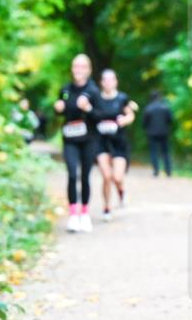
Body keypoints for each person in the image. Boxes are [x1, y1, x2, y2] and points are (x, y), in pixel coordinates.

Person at [53, 54, 100, 233]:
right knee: (72, 174)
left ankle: (85, 213)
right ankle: (73, 215)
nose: (78, 70)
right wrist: (57, 108)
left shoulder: (94, 91)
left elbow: (100, 116)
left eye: (82, 67)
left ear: (88, 70)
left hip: (89, 140)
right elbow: (60, 110)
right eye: (75, 66)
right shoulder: (65, 89)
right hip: (70, 139)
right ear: (72, 69)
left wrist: (88, 108)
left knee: (85, 176)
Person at [93, 69, 135, 220]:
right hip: (101, 142)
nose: (108, 82)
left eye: (111, 79)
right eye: (105, 79)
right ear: (101, 82)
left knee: (117, 177)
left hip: (118, 142)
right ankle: (106, 208)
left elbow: (130, 114)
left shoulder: (122, 98)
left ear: (116, 81)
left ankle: (121, 191)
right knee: (106, 176)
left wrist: (125, 120)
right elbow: (90, 114)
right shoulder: (96, 98)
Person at [141, 91, 174, 177]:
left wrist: (147, 129)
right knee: (166, 152)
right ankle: (168, 171)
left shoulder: (148, 108)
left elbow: (144, 123)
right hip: (164, 132)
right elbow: (170, 120)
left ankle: (156, 171)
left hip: (152, 133)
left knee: (154, 152)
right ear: (159, 97)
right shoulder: (165, 107)